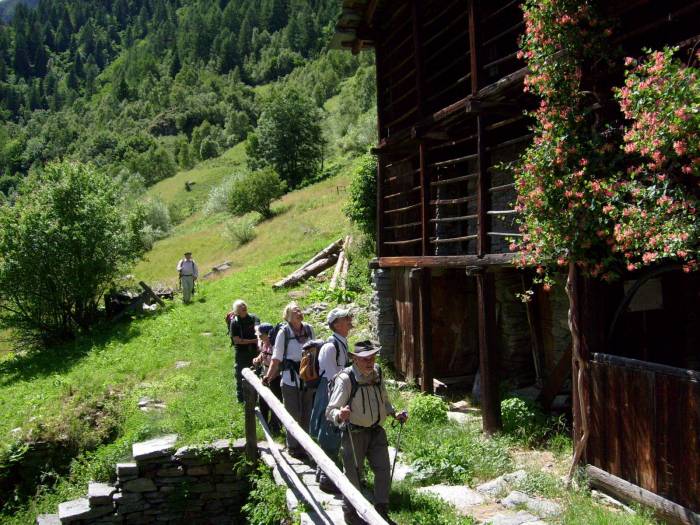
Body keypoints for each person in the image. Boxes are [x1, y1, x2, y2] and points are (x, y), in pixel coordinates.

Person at [326, 342, 408, 525]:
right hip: (354, 433)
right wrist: (340, 414)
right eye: (365, 358)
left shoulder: (377, 373)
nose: (370, 361)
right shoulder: (346, 379)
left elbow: (384, 399)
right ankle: (351, 514)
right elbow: (330, 410)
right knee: (353, 475)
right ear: (355, 359)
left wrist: (394, 413)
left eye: (372, 357)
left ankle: (381, 510)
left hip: (377, 431)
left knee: (383, 470)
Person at [262, 301, 315, 459]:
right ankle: (293, 446)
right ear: (288, 316)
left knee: (306, 413)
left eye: (300, 310)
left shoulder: (309, 329)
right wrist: (268, 376)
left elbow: (316, 349)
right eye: (295, 311)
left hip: (308, 377)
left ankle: (304, 445)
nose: (299, 312)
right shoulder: (283, 333)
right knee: (293, 414)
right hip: (290, 379)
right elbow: (276, 358)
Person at [309, 307, 353, 493]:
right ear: (336, 324)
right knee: (329, 431)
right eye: (345, 318)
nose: (350, 320)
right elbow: (332, 377)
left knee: (333, 431)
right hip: (331, 392)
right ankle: (327, 479)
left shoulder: (341, 343)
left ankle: (323, 473)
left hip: (336, 391)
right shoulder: (330, 346)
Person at [252, 323, 282, 434]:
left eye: (260, 335)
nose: (258, 337)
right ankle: (264, 424)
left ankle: (275, 426)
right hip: (265, 376)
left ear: (267, 334)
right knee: (263, 401)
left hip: (274, 378)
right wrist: (257, 359)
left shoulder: (275, 346)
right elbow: (262, 354)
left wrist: (269, 377)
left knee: (274, 402)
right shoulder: (265, 344)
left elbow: (277, 366)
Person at [229, 299, 260, 403]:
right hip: (241, 353)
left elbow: (257, 327)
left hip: (255, 352)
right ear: (237, 311)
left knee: (257, 372)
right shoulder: (234, 323)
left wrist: (257, 331)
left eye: (244, 305)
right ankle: (241, 399)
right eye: (240, 306)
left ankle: (256, 397)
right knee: (240, 374)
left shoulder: (254, 318)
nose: (243, 307)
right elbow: (237, 340)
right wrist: (254, 340)